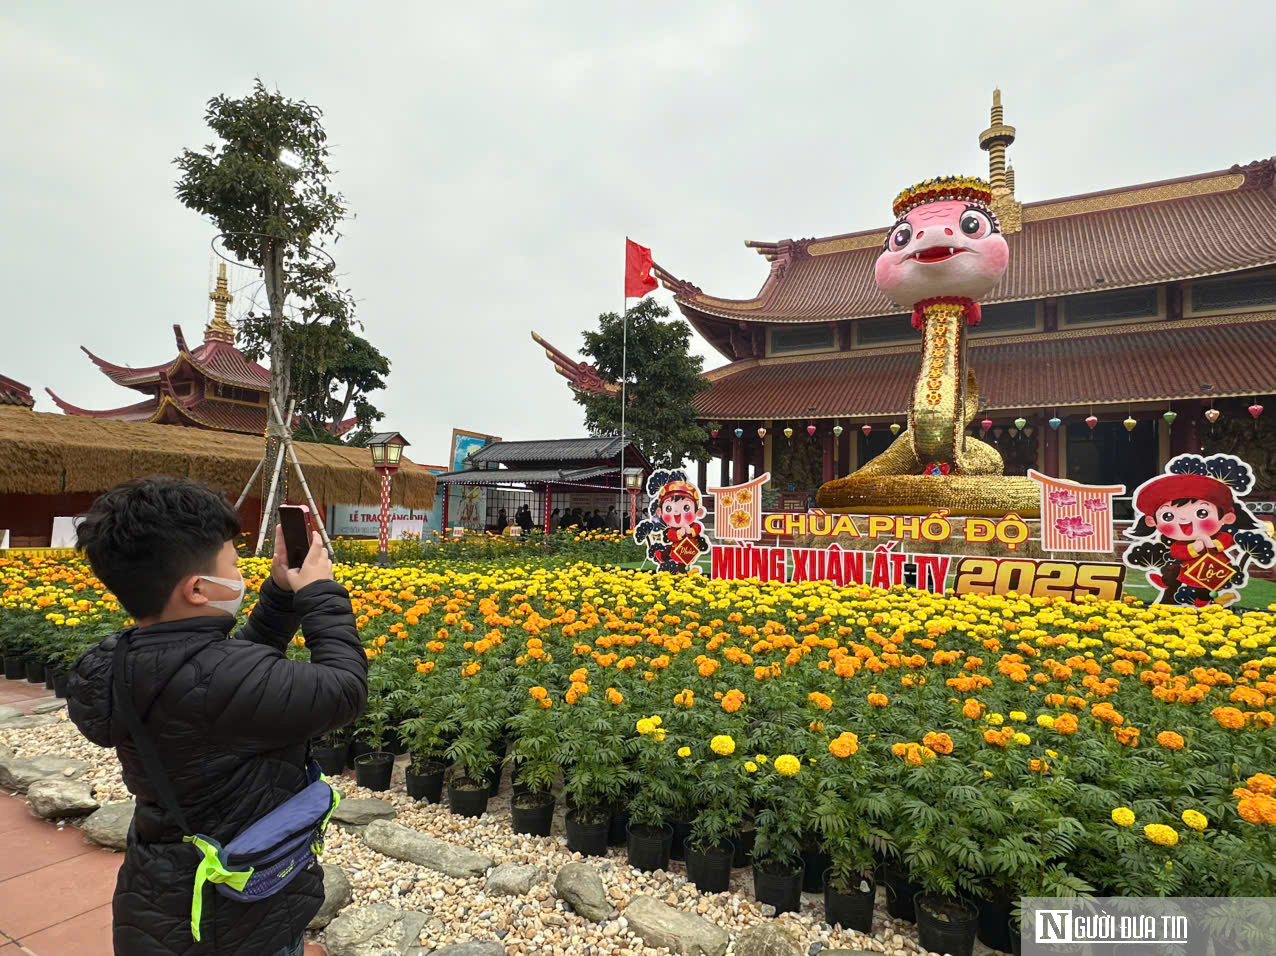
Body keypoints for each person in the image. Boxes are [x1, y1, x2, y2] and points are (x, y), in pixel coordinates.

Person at [66, 477, 368, 956]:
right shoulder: (221, 678)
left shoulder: (119, 662)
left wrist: (280, 593)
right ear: (199, 589)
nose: (240, 573)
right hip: (238, 914)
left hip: (160, 892)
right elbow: (345, 689)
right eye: (233, 564)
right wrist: (320, 593)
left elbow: (222, 677)